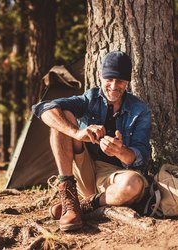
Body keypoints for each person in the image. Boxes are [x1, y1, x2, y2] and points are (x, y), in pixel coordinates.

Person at [32, 51, 151, 231]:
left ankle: (83, 206)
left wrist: (121, 151)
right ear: (100, 77)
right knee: (61, 115)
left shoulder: (140, 110)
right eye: (109, 79)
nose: (113, 86)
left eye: (119, 81)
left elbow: (141, 156)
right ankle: (69, 198)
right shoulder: (89, 98)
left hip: (112, 177)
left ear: (127, 82)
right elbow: (42, 108)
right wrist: (77, 133)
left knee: (133, 184)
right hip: (80, 167)